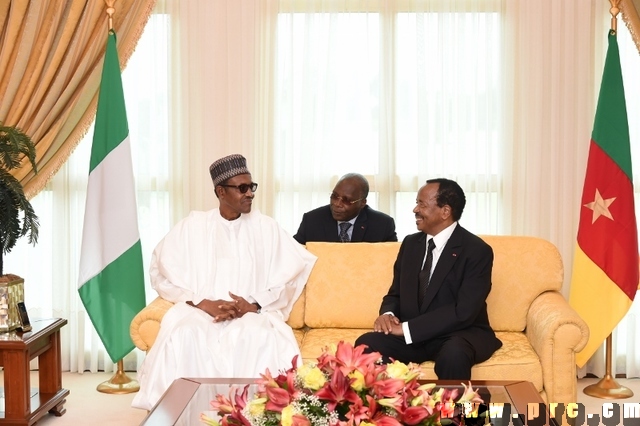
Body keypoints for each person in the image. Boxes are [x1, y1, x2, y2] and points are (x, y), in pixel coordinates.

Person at [132, 154, 317, 411]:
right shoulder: (193, 226)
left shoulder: (266, 227)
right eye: (242, 188)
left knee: (259, 335)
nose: (249, 194)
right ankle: (187, 409)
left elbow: (292, 274)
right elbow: (160, 271)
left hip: (250, 311)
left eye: (251, 187)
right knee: (186, 333)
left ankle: (251, 411)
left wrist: (254, 304)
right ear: (221, 191)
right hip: (201, 308)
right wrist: (202, 302)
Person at [355, 178, 502, 380]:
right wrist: (387, 314)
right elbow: (395, 292)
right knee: (367, 344)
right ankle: (396, 406)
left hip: (455, 334)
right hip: (413, 338)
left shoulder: (476, 251)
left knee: (454, 356)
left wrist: (407, 329)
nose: (415, 209)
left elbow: (464, 311)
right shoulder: (410, 244)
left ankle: (457, 413)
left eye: (422, 204)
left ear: (445, 211)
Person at [293, 173, 397, 244]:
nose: (337, 204)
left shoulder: (382, 225)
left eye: (346, 200)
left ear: (362, 203)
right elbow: (293, 256)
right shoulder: (312, 220)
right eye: (334, 196)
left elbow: (390, 263)